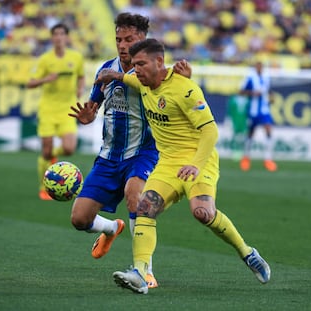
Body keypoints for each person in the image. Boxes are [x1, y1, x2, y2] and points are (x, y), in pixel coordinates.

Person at [95, 38, 271, 295]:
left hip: (199, 159)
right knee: (145, 208)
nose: (137, 70)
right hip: (168, 163)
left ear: (159, 62)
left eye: (141, 64)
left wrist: (197, 165)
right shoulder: (142, 83)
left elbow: (210, 131)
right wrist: (113, 74)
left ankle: (247, 252)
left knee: (203, 213)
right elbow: (127, 79)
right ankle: (140, 273)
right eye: (134, 65)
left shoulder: (185, 89)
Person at [68, 13, 192, 289]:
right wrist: (89, 115)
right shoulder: (106, 68)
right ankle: (112, 228)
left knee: (136, 196)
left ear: (143, 40)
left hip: (144, 153)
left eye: (129, 39)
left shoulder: (154, 73)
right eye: (118, 39)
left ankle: (144, 269)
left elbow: (178, 97)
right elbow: (94, 104)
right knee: (79, 219)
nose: (122, 45)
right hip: (109, 156)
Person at [26, 23, 85, 200]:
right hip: (48, 110)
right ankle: (44, 188)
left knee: (69, 148)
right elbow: (30, 83)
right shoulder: (45, 60)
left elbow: (81, 76)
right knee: (45, 152)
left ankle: (53, 155)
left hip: (67, 109)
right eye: (56, 34)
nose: (59, 37)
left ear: (66, 37)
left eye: (62, 34)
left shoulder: (76, 57)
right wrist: (46, 79)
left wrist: (80, 88)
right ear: (52, 38)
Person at [239, 61, 277, 172]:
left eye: (261, 67)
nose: (260, 69)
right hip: (253, 111)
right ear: (255, 68)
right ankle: (246, 158)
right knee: (251, 133)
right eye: (258, 67)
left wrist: (271, 95)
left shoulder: (266, 77)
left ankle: (268, 159)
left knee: (268, 129)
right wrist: (252, 93)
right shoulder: (250, 78)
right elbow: (241, 91)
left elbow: (268, 90)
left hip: (264, 110)